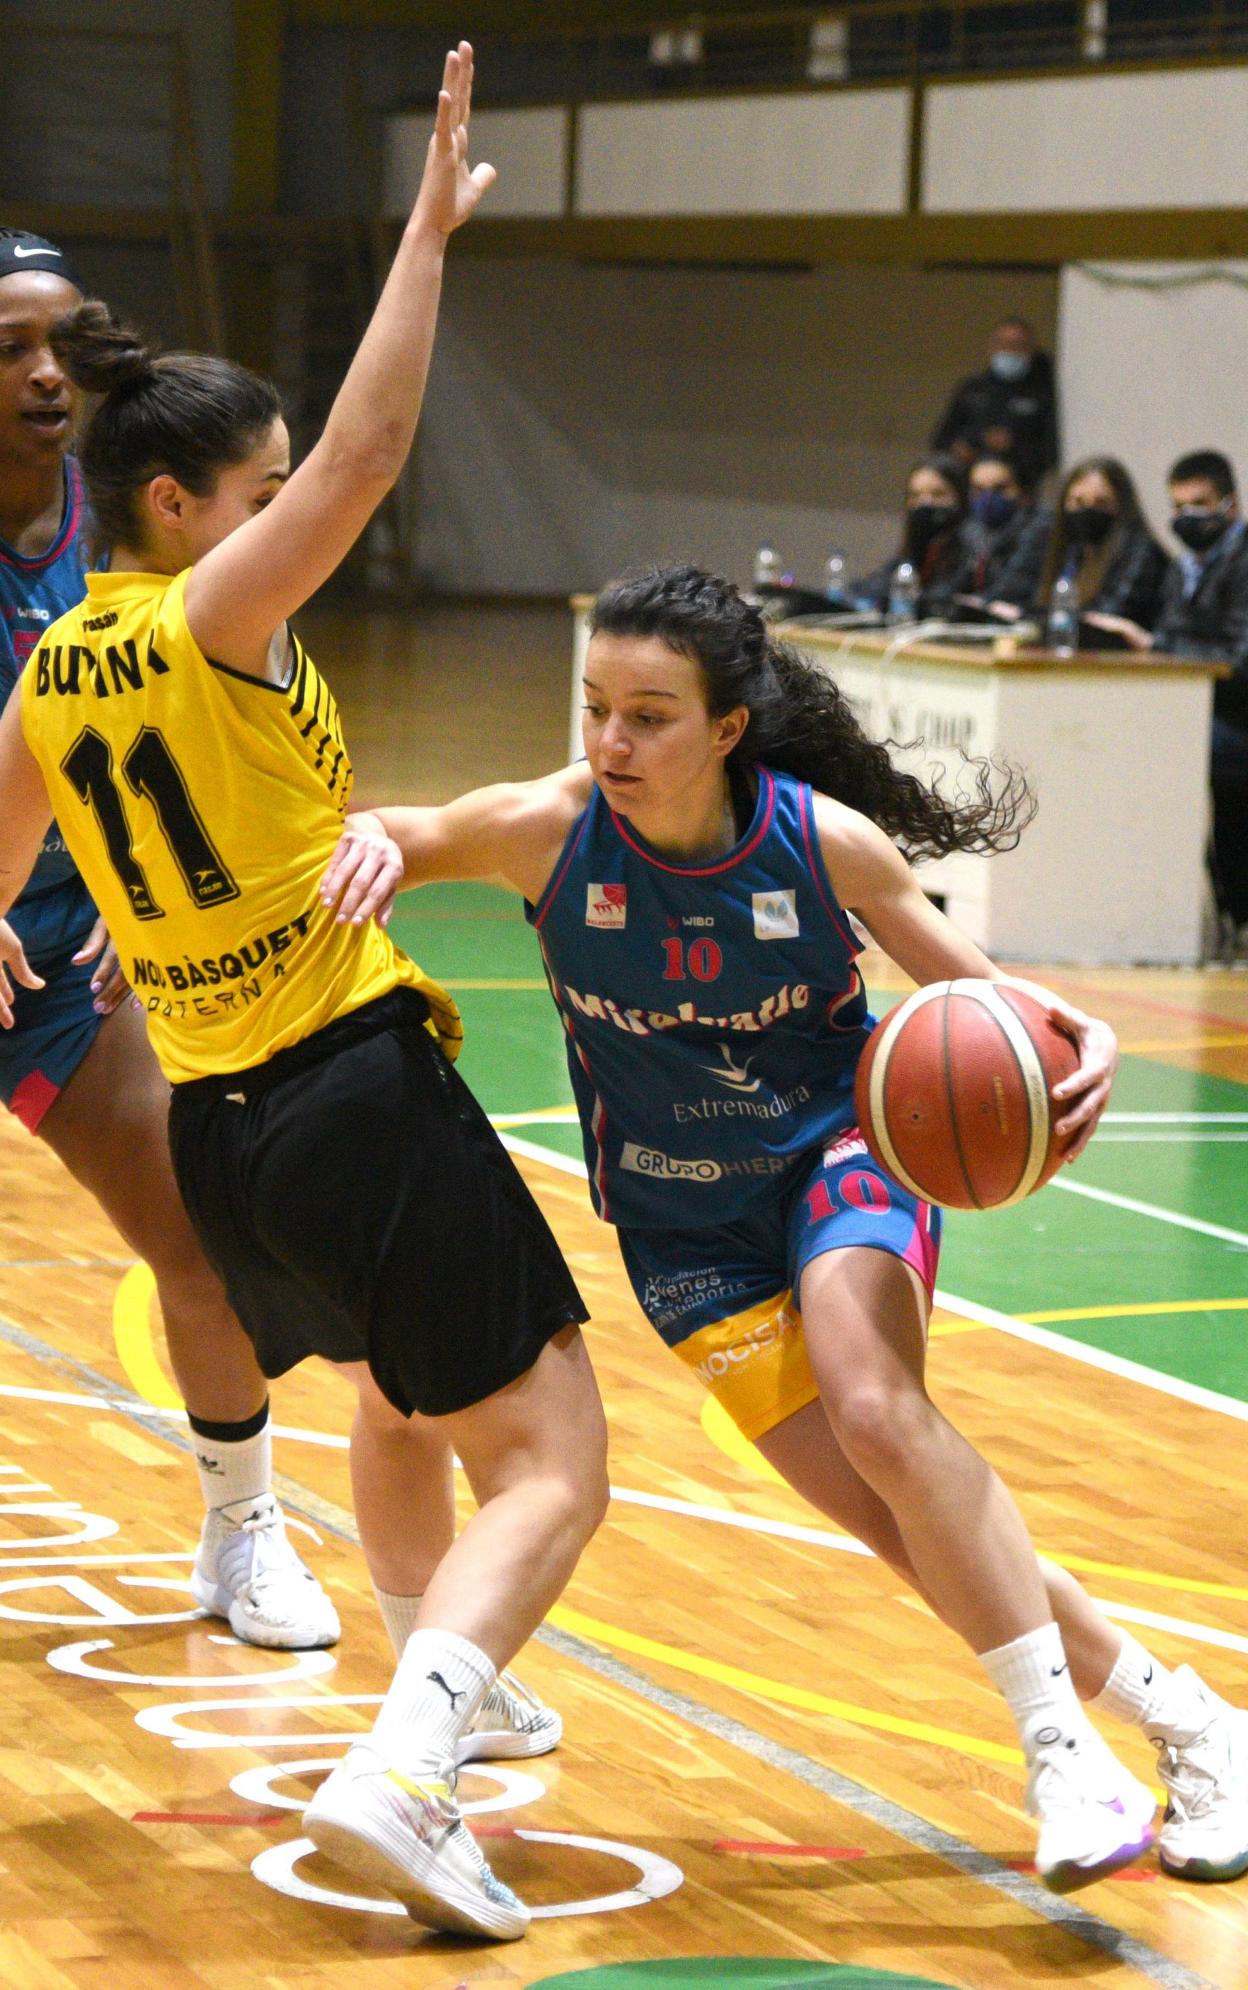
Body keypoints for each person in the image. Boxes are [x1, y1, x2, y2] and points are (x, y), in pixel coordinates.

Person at [327, 562, 1248, 1893]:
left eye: (649, 716)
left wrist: (1079, 1036)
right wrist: (287, 877)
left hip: (839, 1158)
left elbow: (992, 1005)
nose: (611, 742)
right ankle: (1197, 1724)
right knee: (906, 1528)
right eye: (596, 707)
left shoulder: (824, 845)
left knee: (878, 1406)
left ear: (727, 727)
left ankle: (1067, 1756)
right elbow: (374, 838)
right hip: (681, 1230)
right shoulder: (544, 830)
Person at [0, 48, 609, 1941]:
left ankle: (440, 1674)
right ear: (178, 507)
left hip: (224, 1121)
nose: (290, 516)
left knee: (401, 1404)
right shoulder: (213, 618)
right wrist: (424, 237)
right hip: (351, 1086)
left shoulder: (49, 674)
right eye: (254, 496)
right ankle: (405, 1768)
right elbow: (365, 452)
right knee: (555, 1457)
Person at [0, 225, 343, 1651]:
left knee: (197, 1237)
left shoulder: (135, 540)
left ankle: (242, 1530)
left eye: (60, 342)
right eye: (10, 348)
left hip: (65, 964)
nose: (44, 371)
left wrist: (134, 900)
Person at [1110, 451, 1248, 950]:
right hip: (1193, 711)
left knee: (1165, 746)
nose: (1188, 517)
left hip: (1236, 720)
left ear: (1231, 504)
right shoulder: (1186, 565)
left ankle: (1180, 916)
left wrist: (1156, 646)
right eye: (1178, 506)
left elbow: (1240, 661)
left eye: (1200, 504)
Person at [1002, 456, 1169, 641]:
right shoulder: (1068, 548)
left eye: (1101, 503)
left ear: (1122, 506)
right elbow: (1021, 599)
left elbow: (1105, 618)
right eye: (1078, 502)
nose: (1088, 510)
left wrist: (1032, 616)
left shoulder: (1140, 551)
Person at [931, 315, 1059, 492]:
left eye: (1017, 345)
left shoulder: (1042, 394)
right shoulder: (971, 389)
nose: (1010, 351)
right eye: (1003, 344)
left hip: (1020, 489)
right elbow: (940, 440)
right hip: (968, 487)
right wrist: (960, 449)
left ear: (1031, 351)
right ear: (991, 347)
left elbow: (1050, 452)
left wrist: (1012, 446)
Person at [852, 455, 968, 622]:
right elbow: (873, 586)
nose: (925, 503)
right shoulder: (916, 545)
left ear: (960, 498)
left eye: (937, 494)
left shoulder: (972, 546)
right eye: (915, 495)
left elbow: (943, 597)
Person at [954, 453, 1050, 617]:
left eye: (1000, 488)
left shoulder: (1040, 525)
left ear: (1023, 491)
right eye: (978, 490)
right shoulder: (970, 528)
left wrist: (973, 604)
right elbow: (957, 582)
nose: (988, 498)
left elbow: (1012, 587)